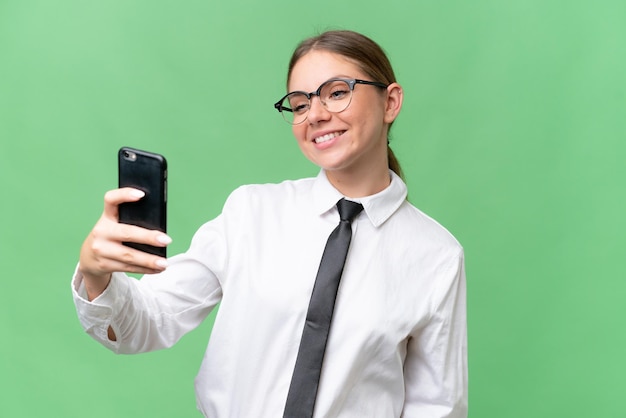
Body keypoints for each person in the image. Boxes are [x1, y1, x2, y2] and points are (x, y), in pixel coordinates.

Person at [72, 30, 468, 417]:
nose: (316, 114)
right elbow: (146, 322)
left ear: (391, 102)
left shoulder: (436, 255)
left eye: (337, 92)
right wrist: (96, 274)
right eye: (299, 104)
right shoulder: (251, 213)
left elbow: (437, 407)